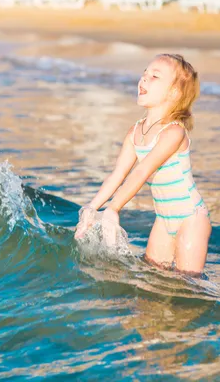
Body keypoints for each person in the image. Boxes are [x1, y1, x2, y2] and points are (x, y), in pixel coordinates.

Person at [75, 54, 212, 276]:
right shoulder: (135, 131)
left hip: (191, 218)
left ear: (174, 93)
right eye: (144, 74)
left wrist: (113, 208)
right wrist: (92, 208)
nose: (144, 80)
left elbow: (141, 172)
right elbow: (117, 175)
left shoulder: (174, 132)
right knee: (152, 278)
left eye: (155, 76)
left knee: (188, 285)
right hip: (163, 219)